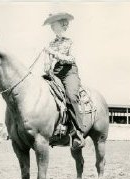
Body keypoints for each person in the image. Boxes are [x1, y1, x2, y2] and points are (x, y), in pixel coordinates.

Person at [43, 12, 85, 150]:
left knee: (71, 97)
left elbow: (71, 59)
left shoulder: (71, 41)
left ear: (62, 25)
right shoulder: (51, 43)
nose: (52, 28)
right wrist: (47, 63)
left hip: (69, 72)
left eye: (54, 25)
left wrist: (53, 53)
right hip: (55, 71)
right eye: (51, 26)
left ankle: (78, 132)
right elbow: (48, 63)